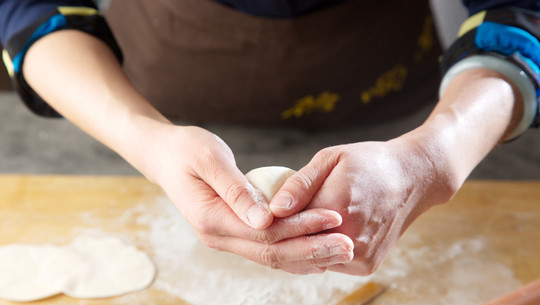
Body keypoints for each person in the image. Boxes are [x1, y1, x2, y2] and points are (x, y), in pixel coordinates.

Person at [1, 0, 538, 276]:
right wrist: (148, 141)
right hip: (138, 104)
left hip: (403, 112)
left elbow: (523, 10)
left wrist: (431, 159)